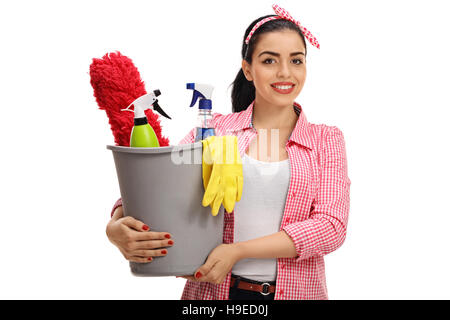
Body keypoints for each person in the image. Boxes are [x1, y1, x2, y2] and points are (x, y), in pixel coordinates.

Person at [106, 4, 351, 300]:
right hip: (213, 296)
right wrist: (116, 225)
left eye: (296, 60)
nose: (285, 72)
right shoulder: (214, 132)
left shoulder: (325, 140)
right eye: (269, 60)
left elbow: (330, 227)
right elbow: (158, 185)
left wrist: (238, 251)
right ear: (248, 69)